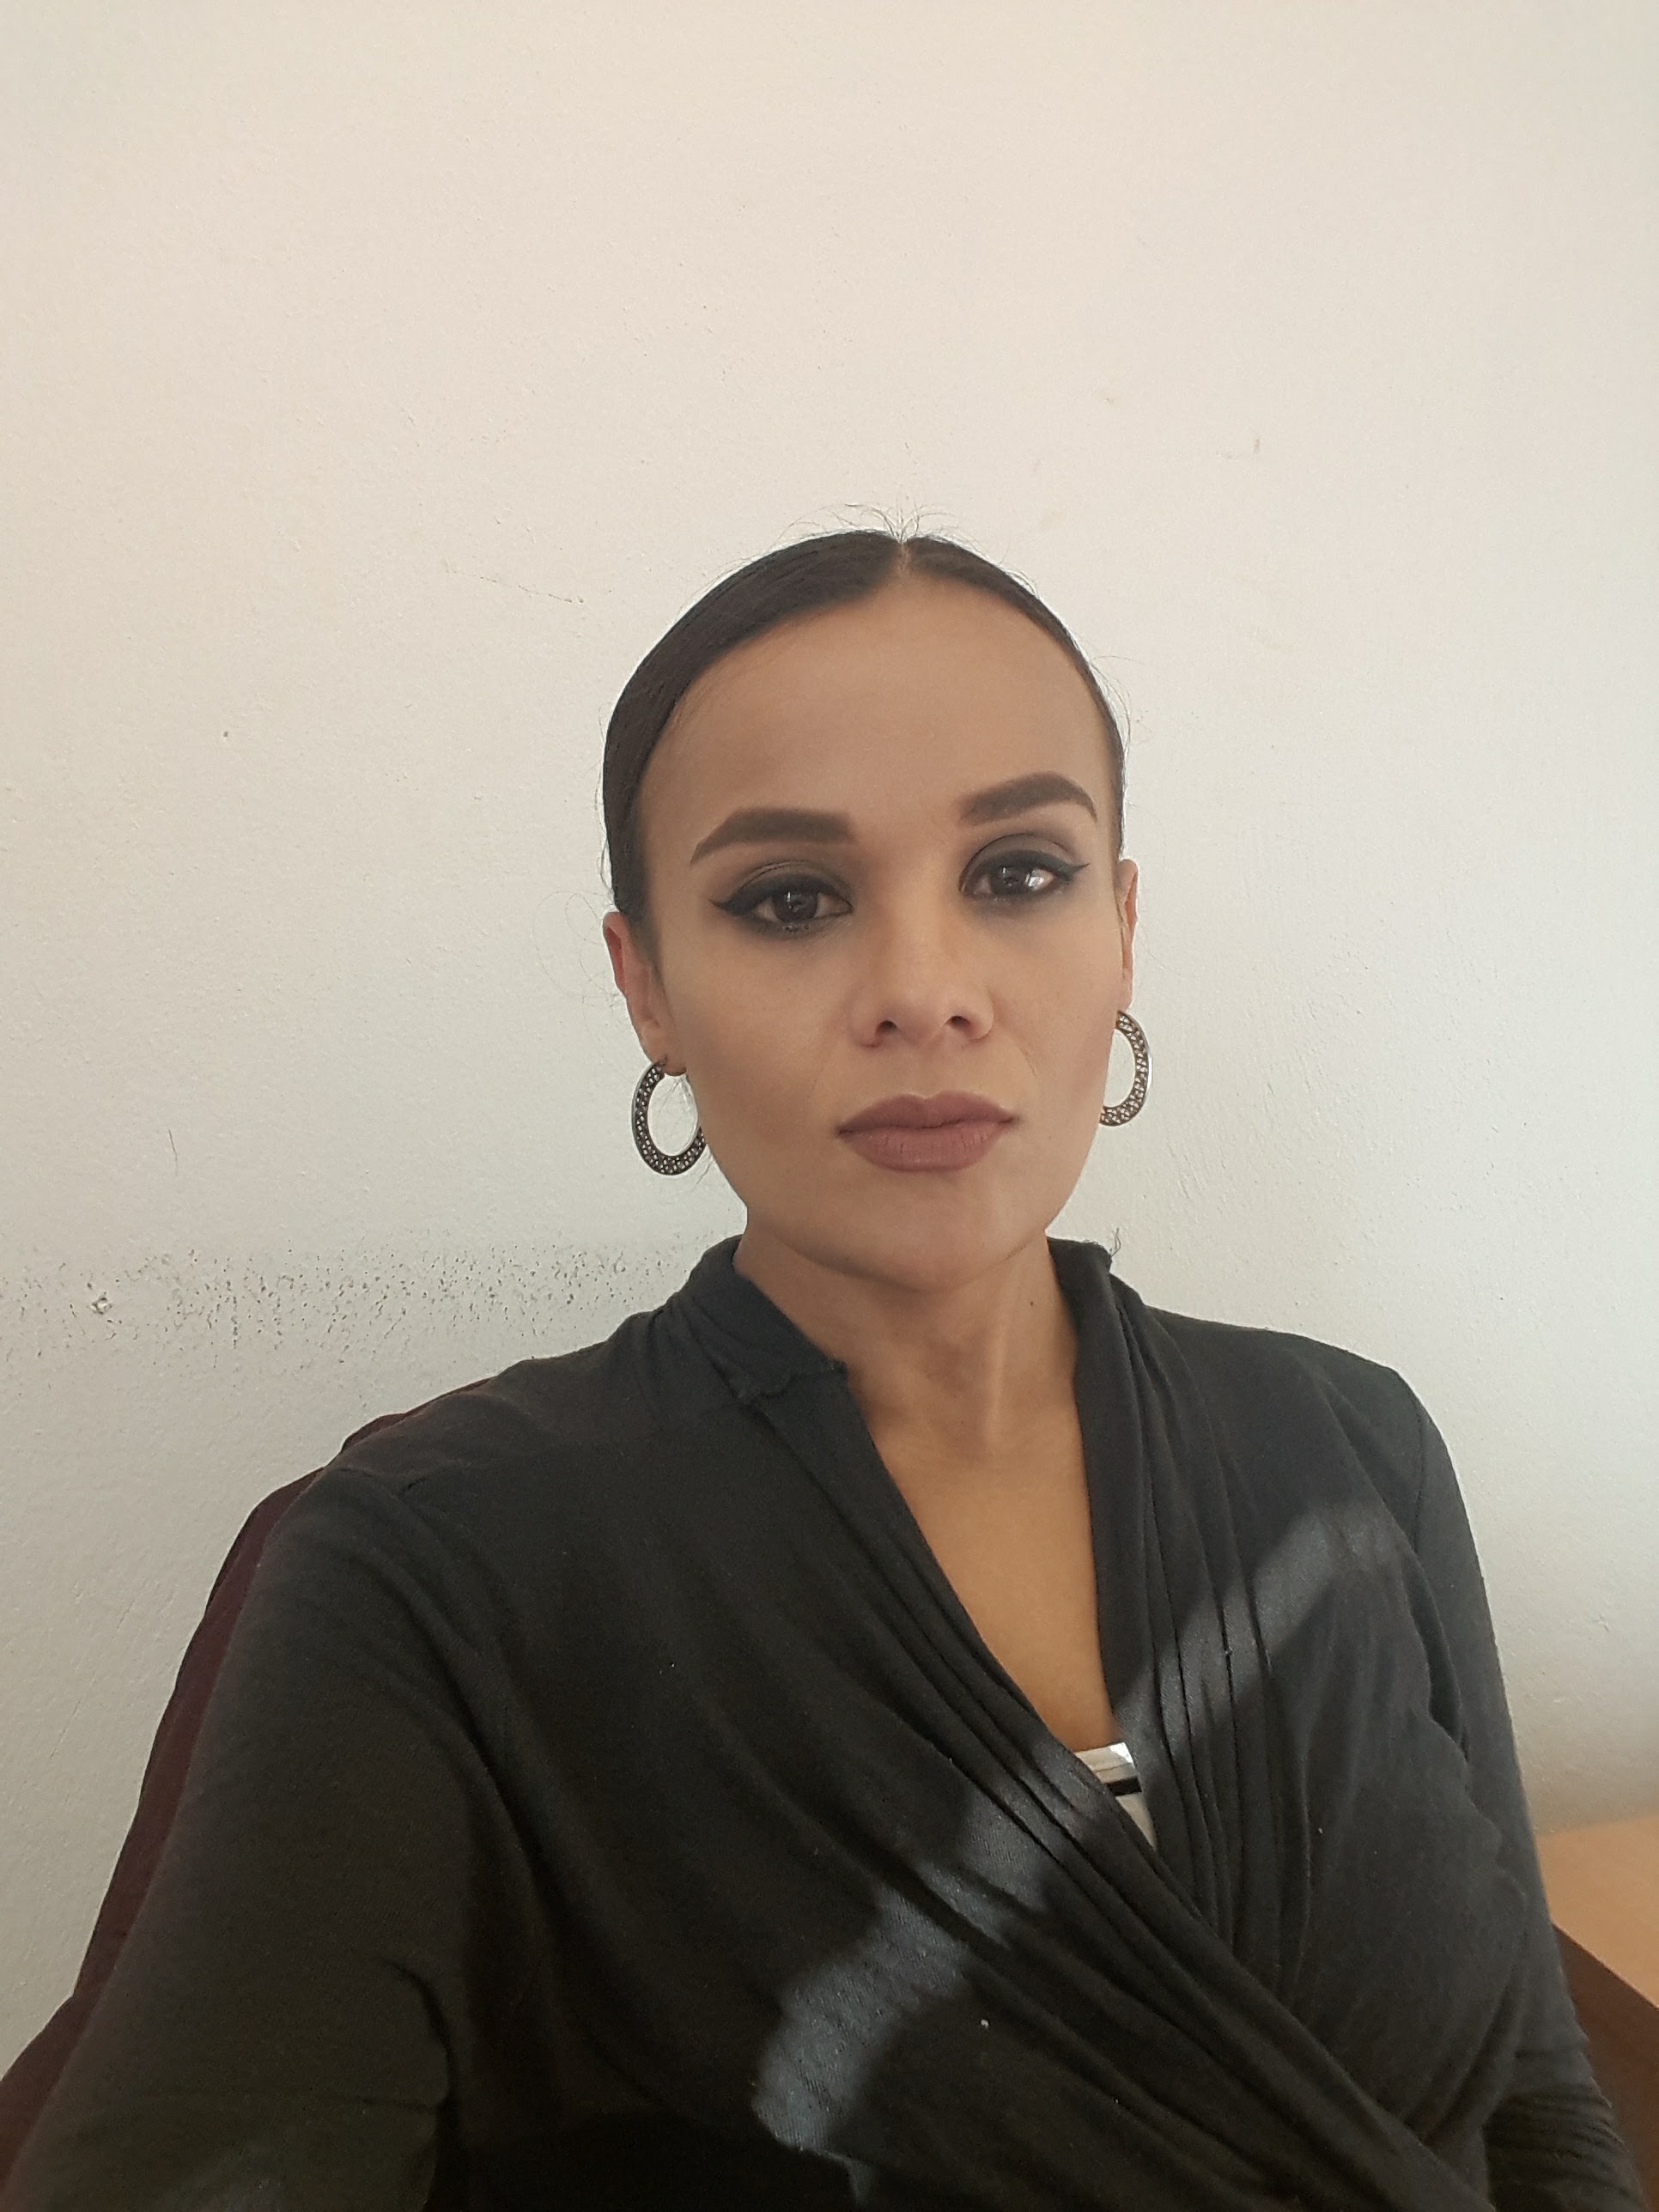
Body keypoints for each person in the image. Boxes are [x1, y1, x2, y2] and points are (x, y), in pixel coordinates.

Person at [3, 531, 1643, 2210]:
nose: (925, 993)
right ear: (647, 985)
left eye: (1019, 872)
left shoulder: (1353, 1446)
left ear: (1125, 929)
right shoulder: (436, 1568)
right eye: (789, 899)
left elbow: (1536, 2098)